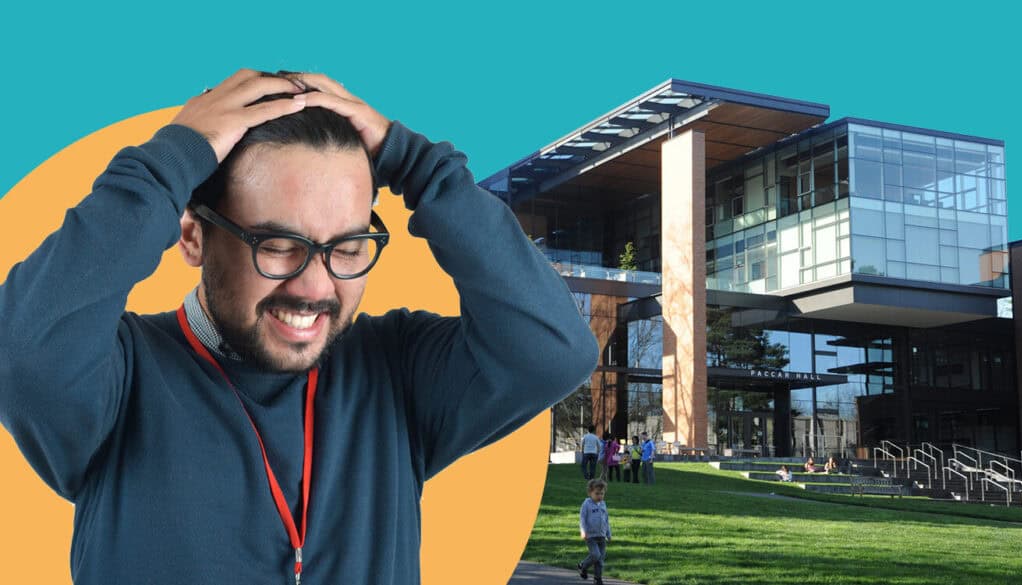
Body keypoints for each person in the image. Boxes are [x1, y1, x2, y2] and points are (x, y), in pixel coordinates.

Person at [0, 69, 599, 585]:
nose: (315, 288)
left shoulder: (397, 373)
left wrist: (417, 166)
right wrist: (167, 165)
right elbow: (19, 348)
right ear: (191, 234)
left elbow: (554, 349)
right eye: (278, 244)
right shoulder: (115, 375)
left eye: (347, 246)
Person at [577, 478, 611, 585]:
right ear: (590, 493)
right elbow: (582, 519)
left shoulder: (603, 504)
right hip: (590, 536)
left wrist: (608, 533)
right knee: (595, 555)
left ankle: (597, 579)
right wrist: (583, 531)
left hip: (601, 536)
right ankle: (583, 565)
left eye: (602, 493)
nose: (600, 496)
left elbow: (606, 519)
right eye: (597, 493)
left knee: (600, 560)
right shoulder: (586, 504)